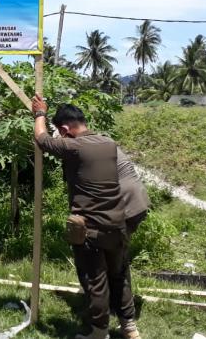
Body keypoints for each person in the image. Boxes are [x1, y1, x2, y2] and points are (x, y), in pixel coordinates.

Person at [32, 94, 137, 339]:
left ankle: (98, 332)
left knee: (95, 281)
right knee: (119, 275)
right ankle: (129, 327)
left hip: (91, 229)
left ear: (65, 129)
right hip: (117, 223)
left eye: (61, 132)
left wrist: (39, 113)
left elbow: (41, 139)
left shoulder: (74, 146)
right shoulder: (108, 143)